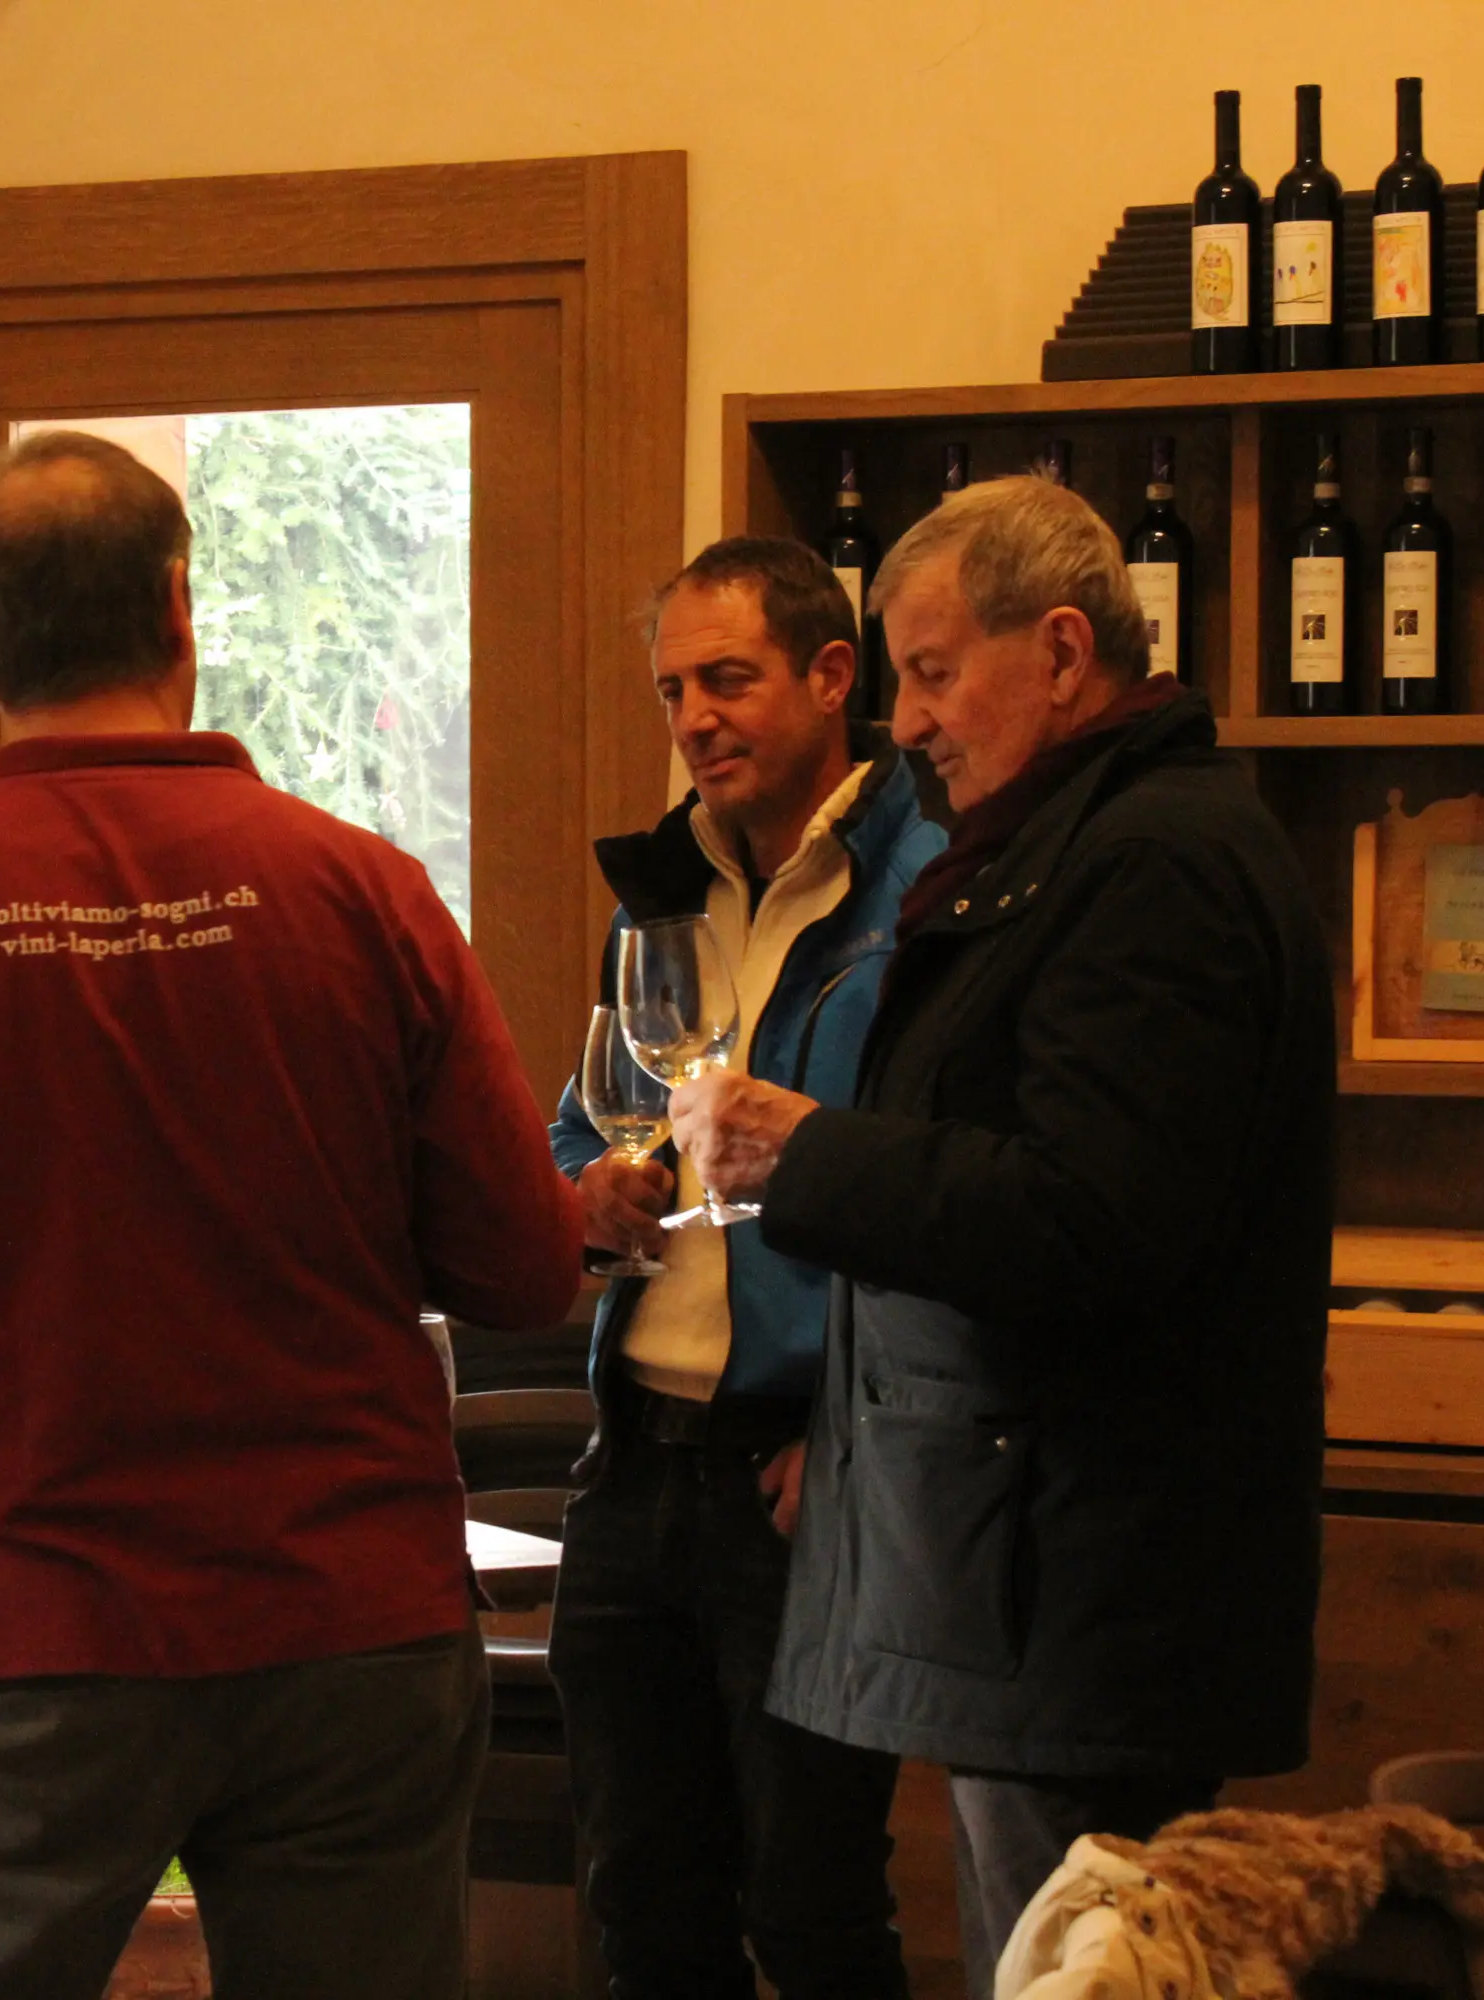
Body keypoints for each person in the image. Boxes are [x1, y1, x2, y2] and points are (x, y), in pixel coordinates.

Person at [0, 429, 586, 2000]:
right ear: (185, 607)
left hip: (36, 1631)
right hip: (355, 1625)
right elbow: (523, 1264)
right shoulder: (365, 893)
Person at [671, 476, 1335, 1999]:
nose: (906, 722)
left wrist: (807, 1154)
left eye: (931, 669)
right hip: (1038, 1580)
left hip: (1090, 1588)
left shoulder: (1153, 861)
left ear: (1057, 650)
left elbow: (1089, 1219)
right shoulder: (1081, 842)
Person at [548, 538, 941, 2000]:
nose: (695, 719)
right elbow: (585, 1114)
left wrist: (854, 1429)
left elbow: (951, 1194)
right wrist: (581, 1192)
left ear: (834, 676)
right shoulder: (661, 886)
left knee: (815, 1910)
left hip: (803, 1473)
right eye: (672, 690)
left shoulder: (935, 889)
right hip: (637, 1457)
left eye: (728, 680)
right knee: (641, 1908)